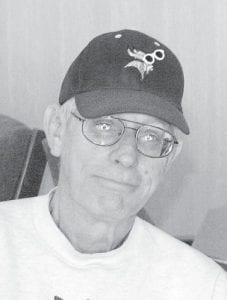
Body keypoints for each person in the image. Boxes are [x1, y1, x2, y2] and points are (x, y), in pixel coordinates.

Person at [0, 29, 226, 299]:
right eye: (105, 125)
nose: (128, 155)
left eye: (152, 136)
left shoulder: (202, 287)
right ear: (57, 129)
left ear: (170, 157)